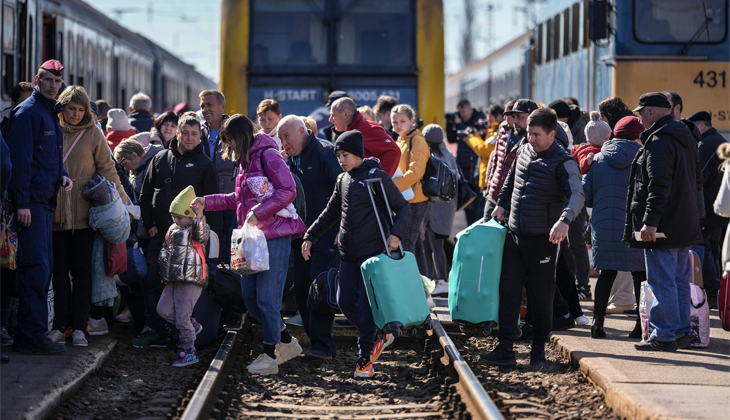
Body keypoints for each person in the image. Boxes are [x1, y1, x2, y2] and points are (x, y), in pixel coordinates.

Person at [192, 115, 305, 375]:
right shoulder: (245, 161)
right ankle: (286, 342)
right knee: (250, 297)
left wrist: (260, 212)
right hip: (255, 238)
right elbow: (238, 198)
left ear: (241, 136)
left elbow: (287, 190)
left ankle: (270, 356)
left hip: (275, 235)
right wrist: (206, 201)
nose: (228, 147)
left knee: (267, 298)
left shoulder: (267, 155)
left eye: (229, 141)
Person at [480, 108, 584, 366]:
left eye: (537, 135)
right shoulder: (524, 150)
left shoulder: (564, 161)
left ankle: (537, 353)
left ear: (552, 134)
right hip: (515, 236)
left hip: (543, 241)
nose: (532, 139)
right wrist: (502, 204)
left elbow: (577, 195)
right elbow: (510, 181)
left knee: (541, 296)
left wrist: (565, 219)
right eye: (529, 133)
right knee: (508, 292)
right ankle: (505, 348)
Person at [302, 130, 410, 378]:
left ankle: (365, 359)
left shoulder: (377, 177)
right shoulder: (343, 180)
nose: (341, 160)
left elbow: (403, 207)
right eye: (338, 155)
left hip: (372, 256)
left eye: (346, 155)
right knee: (343, 301)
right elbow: (330, 213)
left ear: (359, 154)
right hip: (348, 255)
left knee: (365, 304)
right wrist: (310, 236)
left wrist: (396, 234)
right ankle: (378, 333)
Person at [48, 85, 128, 346]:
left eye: (81, 110)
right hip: (55, 216)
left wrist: (122, 201)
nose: (75, 114)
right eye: (72, 108)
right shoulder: (50, 129)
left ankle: (80, 327)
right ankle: (60, 326)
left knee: (82, 273)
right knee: (59, 274)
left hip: (85, 217)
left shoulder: (93, 133)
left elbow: (107, 168)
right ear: (63, 106)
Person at [625, 92, 703, 351]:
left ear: (649, 112)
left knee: (662, 280)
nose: (640, 119)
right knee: (680, 280)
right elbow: (696, 181)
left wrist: (649, 222)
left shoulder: (658, 141)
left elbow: (658, 187)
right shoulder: (686, 138)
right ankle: (680, 331)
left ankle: (664, 335)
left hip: (664, 226)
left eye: (641, 113)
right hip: (684, 222)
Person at [135, 114, 221, 348]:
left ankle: (184, 333)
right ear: (177, 133)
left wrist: (212, 240)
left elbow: (214, 204)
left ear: (200, 135)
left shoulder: (205, 164)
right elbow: (145, 195)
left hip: (192, 243)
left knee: (184, 290)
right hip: (159, 236)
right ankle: (156, 329)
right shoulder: (160, 159)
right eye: (185, 133)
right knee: (154, 283)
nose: (189, 138)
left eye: (194, 134)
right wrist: (151, 226)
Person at [5, 59, 72, 355]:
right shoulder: (29, 113)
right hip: (31, 206)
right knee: (35, 269)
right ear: (37, 79)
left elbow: (46, 159)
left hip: (44, 204)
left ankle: (31, 332)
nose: (52, 86)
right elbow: (19, 163)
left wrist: (62, 176)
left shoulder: (48, 113)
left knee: (42, 270)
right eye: (47, 80)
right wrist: (23, 203)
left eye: (57, 82)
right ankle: (30, 335)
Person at [277, 115, 342, 360]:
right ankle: (317, 343)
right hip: (300, 236)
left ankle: (324, 346)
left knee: (320, 289)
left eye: (286, 136)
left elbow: (343, 190)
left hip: (326, 235)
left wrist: (340, 227)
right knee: (303, 290)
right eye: (280, 138)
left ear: (302, 131)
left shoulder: (325, 153)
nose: (283, 142)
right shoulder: (288, 159)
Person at [583, 115, 646, 339]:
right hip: (633, 225)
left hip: (604, 224)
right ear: (637, 136)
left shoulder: (598, 158)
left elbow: (586, 193)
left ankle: (597, 324)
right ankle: (640, 326)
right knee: (640, 275)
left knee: (606, 273)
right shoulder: (643, 157)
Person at [157, 186, 210, 367]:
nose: (175, 220)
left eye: (179, 216)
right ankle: (191, 326)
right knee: (163, 310)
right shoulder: (173, 229)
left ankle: (189, 350)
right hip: (173, 278)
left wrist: (199, 215)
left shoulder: (196, 228)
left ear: (190, 215)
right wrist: (162, 263)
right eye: (173, 216)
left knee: (181, 318)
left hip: (191, 279)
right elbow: (165, 248)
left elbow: (201, 236)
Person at [689, 110, 728, 308]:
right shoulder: (722, 141)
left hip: (708, 209)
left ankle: (712, 292)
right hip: (721, 209)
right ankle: (719, 292)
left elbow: (698, 177)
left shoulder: (705, 144)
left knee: (706, 251)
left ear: (701, 125)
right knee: (716, 251)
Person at [389, 104, 430, 275]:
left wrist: (393, 189)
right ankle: (423, 289)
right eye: (395, 122)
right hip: (406, 198)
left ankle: (411, 287)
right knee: (415, 245)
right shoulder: (400, 140)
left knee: (406, 243)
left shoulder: (417, 140)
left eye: (402, 121)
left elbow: (416, 173)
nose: (398, 125)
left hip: (416, 200)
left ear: (411, 121)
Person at [199, 90, 235, 264]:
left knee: (230, 249)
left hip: (230, 201)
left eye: (210, 105)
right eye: (203, 106)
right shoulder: (198, 131)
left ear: (222, 106)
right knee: (210, 251)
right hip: (206, 202)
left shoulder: (234, 130)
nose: (205, 109)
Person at [484, 99, 535, 221]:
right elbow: (495, 159)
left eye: (519, 117)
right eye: (513, 116)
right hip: (496, 192)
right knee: (486, 232)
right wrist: (490, 184)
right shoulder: (504, 131)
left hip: (514, 200)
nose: (514, 120)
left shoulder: (532, 143)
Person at [422, 124, 458, 297]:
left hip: (435, 208)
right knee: (435, 245)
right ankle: (436, 280)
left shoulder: (433, 157)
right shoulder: (448, 155)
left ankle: (440, 281)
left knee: (432, 246)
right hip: (446, 206)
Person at [329, 97, 401, 177]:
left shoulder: (368, 128)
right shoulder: (348, 132)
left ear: (345, 114)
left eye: (333, 115)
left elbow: (394, 151)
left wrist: (377, 180)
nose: (330, 119)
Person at [445, 99, 487, 224]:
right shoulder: (460, 121)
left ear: (470, 108)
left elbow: (474, 135)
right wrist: (450, 124)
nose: (461, 115)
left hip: (475, 167)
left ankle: (478, 224)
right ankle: (470, 225)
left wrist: (459, 124)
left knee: (476, 200)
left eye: (463, 112)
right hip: (463, 165)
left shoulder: (479, 118)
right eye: (459, 112)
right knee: (467, 199)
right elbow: (451, 139)